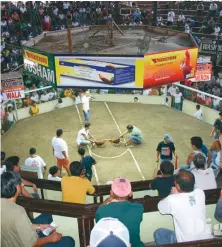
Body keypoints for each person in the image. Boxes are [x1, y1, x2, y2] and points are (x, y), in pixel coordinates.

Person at [1, 172, 75, 247]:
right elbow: (32, 244)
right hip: (24, 244)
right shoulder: (18, 211)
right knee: (69, 240)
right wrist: (50, 238)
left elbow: (14, 225)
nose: (22, 185)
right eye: (21, 184)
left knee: (46, 215)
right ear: (17, 187)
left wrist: (39, 226)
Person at [154, 170, 213, 245]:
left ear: (177, 186)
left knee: (158, 233)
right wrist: (178, 191)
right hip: (207, 239)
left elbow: (160, 207)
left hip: (186, 243)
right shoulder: (200, 192)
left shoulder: (172, 199)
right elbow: (191, 193)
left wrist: (172, 194)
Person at [96, 177, 144, 247]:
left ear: (111, 193)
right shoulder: (139, 208)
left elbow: (99, 215)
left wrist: (109, 199)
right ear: (131, 193)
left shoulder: (102, 210)